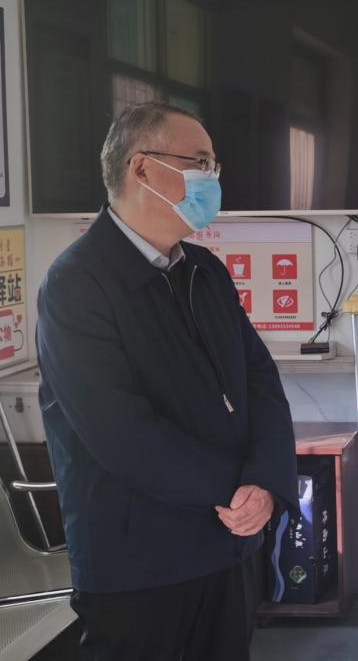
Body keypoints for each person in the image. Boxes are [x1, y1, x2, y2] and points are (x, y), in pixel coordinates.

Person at [36, 102, 298, 660]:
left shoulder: (206, 271)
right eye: (200, 162)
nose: (212, 178)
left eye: (214, 166)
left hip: (225, 547)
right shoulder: (76, 284)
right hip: (138, 567)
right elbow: (121, 433)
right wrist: (235, 489)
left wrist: (266, 483)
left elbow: (260, 381)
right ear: (142, 169)